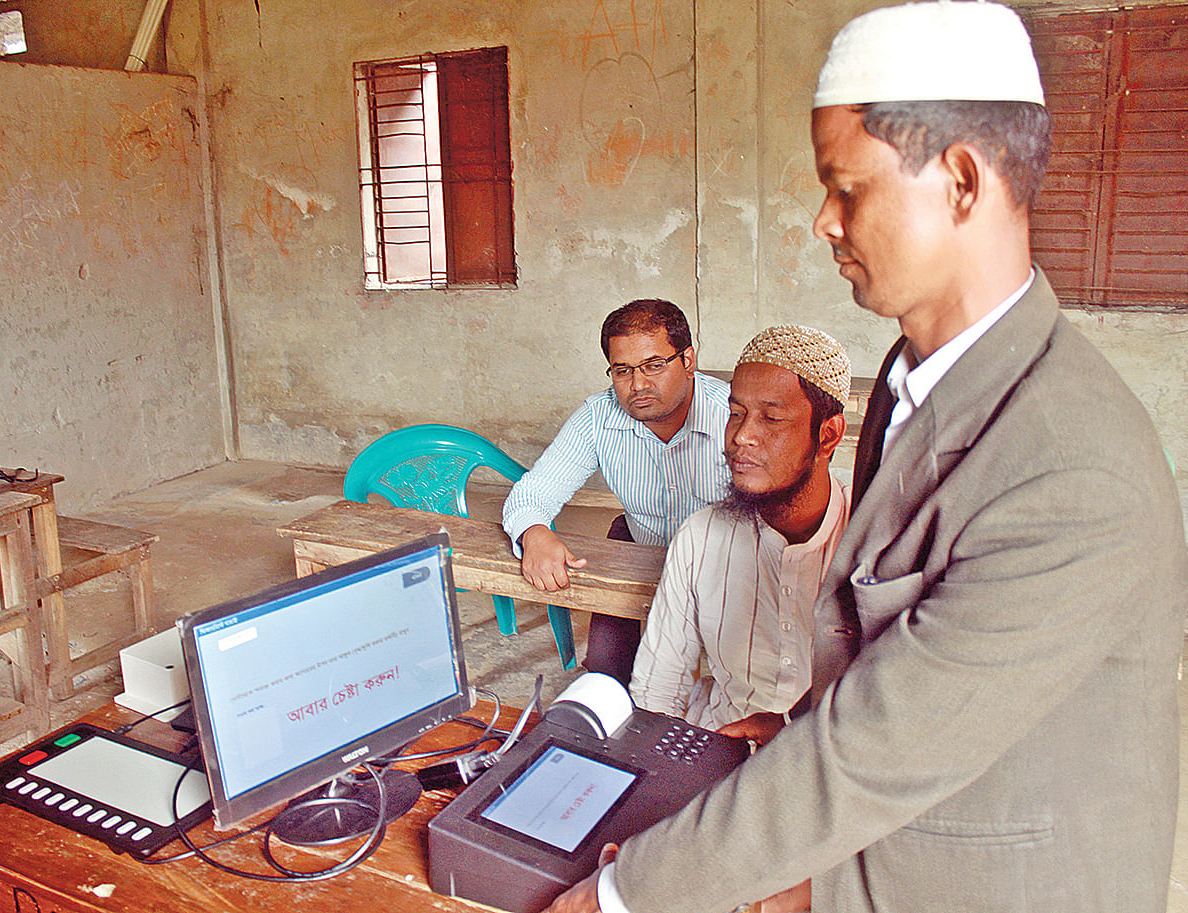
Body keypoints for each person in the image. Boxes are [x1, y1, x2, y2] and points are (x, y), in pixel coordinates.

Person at [543, 4, 1188, 913]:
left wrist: (625, 893)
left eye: (846, 188)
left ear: (962, 180)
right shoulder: (909, 378)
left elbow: (876, 749)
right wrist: (793, 731)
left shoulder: (1073, 473)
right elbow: (878, 660)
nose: (822, 220)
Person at [629, 325, 851, 745]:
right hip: (719, 749)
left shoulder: (872, 538)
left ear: (827, 435)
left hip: (833, 759)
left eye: (771, 418)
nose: (741, 437)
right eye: (736, 413)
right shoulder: (702, 536)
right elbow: (658, 688)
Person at [503, 299, 730, 685]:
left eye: (654, 365)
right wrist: (535, 534)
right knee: (606, 679)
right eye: (622, 370)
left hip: (726, 564)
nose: (638, 384)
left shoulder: (732, 414)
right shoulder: (598, 416)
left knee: (743, 688)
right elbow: (532, 494)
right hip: (639, 550)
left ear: (688, 361)